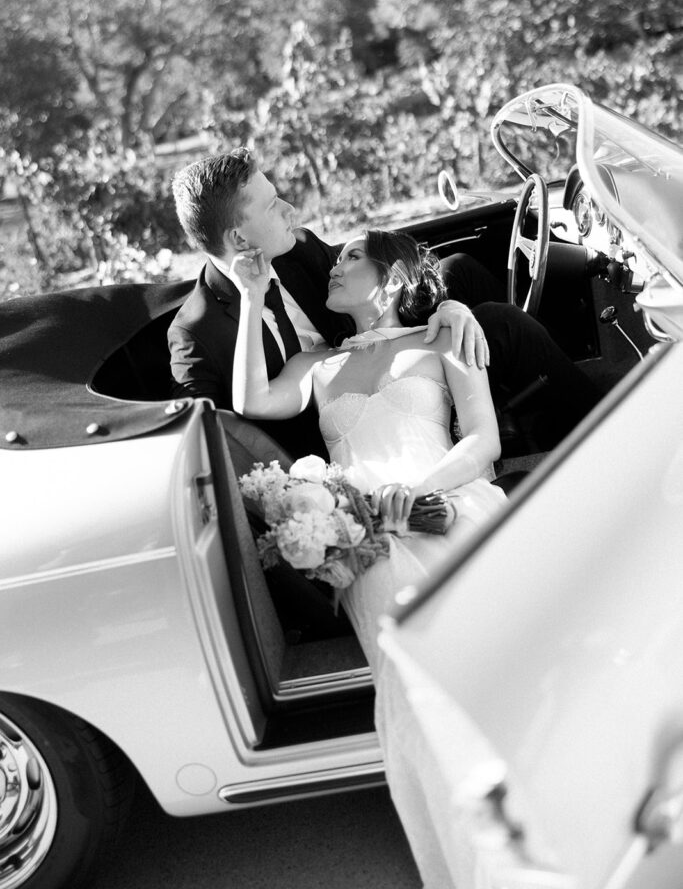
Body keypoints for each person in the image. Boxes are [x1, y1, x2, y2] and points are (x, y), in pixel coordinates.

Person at [230, 226, 507, 888]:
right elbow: (249, 401)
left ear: (392, 277)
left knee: (490, 650)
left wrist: (411, 495)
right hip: (365, 534)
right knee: (412, 671)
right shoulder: (315, 365)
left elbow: (484, 443)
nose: (334, 263)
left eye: (352, 255)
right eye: (337, 256)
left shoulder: (443, 337)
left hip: (449, 500)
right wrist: (248, 297)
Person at [168, 149, 599, 461]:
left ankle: (550, 402)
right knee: (503, 324)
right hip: (334, 426)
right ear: (239, 240)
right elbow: (215, 443)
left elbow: (373, 287)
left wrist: (446, 310)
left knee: (459, 271)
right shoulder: (196, 334)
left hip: (377, 351)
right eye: (271, 205)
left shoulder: (295, 250)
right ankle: (597, 420)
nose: (291, 209)